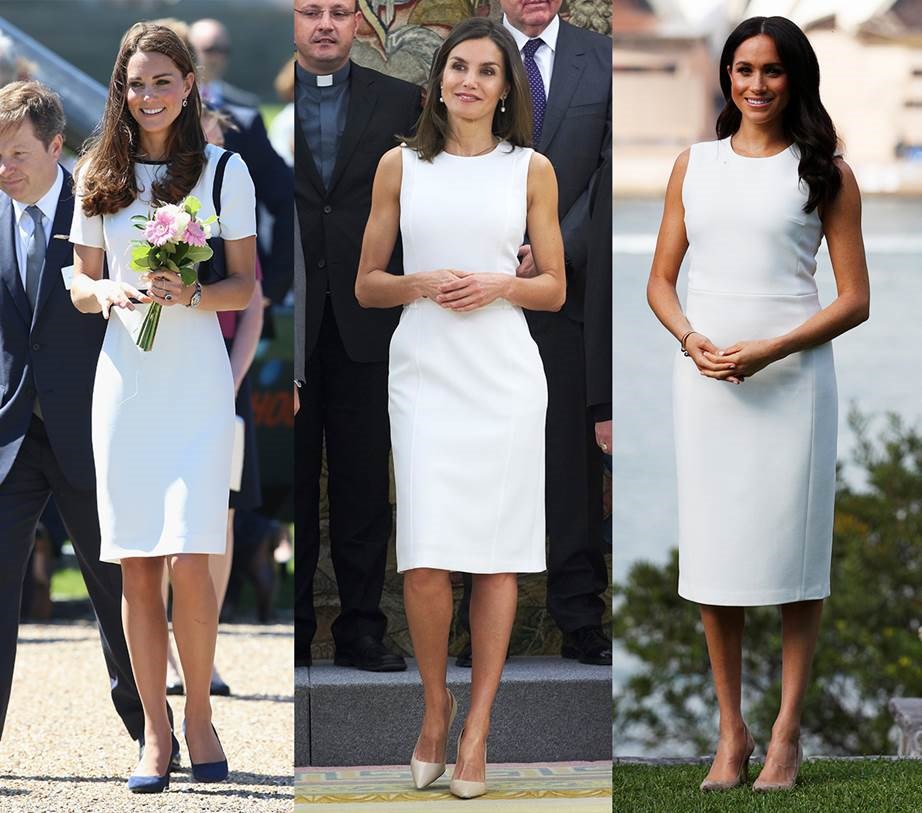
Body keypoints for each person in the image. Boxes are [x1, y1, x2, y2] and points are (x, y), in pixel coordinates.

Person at [646, 16, 869, 792]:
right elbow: (661, 281)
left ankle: (785, 734)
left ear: (795, 78)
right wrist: (690, 339)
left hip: (794, 386)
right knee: (716, 564)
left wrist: (773, 348)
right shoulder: (693, 165)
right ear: (726, 76)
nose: (756, 84)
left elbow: (855, 300)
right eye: (743, 69)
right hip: (706, 389)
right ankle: (730, 733)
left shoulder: (826, 171)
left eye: (772, 71)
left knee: (795, 565)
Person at [355, 18, 565, 798]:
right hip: (424, 366)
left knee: (499, 553)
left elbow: (554, 287)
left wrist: (500, 284)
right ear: (438, 79)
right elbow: (368, 282)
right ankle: (434, 707)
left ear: (507, 87)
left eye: (486, 70)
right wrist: (423, 282)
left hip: (505, 372)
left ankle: (477, 728)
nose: (469, 81)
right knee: (425, 554)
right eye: (458, 67)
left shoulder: (532, 169)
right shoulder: (399, 164)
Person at [69, 23, 257, 792]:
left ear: (188, 85)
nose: (147, 97)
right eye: (135, 84)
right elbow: (78, 282)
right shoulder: (96, 172)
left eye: (161, 81)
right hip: (125, 387)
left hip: (197, 384)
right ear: (122, 89)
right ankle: (155, 729)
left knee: (190, 554)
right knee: (136, 563)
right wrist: (108, 288)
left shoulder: (222, 169)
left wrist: (194, 292)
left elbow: (246, 283)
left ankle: (203, 714)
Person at [454, 0, 612, 669]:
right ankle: (470, 629)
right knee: (479, 462)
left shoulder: (603, 60)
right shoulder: (468, 61)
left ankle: (582, 619)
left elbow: (606, 169)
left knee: (570, 469)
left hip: (565, 297)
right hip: (474, 299)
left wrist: (557, 247)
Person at [0, 78, 149, 758]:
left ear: (57, 147)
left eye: (17, 155)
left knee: (119, 589)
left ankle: (154, 735)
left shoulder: (102, 210)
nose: (4, 169)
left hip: (91, 429)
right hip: (7, 437)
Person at [292, 0, 421, 672]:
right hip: (289, 322)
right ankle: (291, 630)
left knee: (365, 484)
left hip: (371, 323)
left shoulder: (404, 101)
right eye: (310, 10)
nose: (325, 23)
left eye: (340, 11)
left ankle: (362, 629)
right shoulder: (265, 106)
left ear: (358, 25)